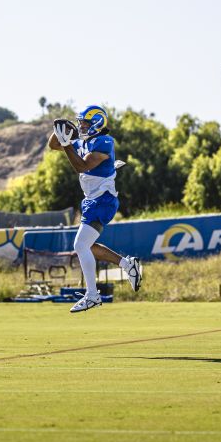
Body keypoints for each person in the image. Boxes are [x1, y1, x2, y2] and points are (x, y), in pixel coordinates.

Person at [48, 104, 143, 314]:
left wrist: (67, 145)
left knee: (80, 245)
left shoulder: (104, 141)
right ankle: (127, 265)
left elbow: (81, 166)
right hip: (91, 200)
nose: (81, 126)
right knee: (87, 247)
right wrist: (62, 130)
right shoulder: (84, 140)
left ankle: (92, 295)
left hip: (103, 199)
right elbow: (53, 145)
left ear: (97, 124)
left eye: (84, 122)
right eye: (80, 122)